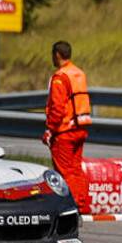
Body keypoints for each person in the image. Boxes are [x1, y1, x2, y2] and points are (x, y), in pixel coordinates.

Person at [43, 41, 92, 215]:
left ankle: (70, 208)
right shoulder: (78, 73)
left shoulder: (60, 77)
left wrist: (50, 130)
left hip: (64, 131)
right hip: (80, 128)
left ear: (57, 55)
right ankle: (80, 204)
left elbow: (57, 108)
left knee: (65, 172)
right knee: (76, 169)